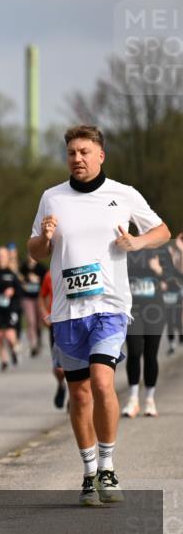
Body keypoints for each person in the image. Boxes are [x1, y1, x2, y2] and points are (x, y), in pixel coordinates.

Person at [28, 124, 169, 506]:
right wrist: (44, 236)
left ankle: (108, 465)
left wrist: (137, 241)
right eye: (72, 152)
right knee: (79, 393)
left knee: (103, 382)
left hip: (110, 306)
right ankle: (89, 472)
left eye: (85, 152)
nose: (77, 158)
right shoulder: (52, 198)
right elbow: (35, 251)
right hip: (67, 311)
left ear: (100, 155)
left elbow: (163, 230)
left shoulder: (122, 194)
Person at [122, 241, 173, 418]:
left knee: (151, 354)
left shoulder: (160, 250)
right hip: (133, 310)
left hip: (155, 311)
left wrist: (158, 270)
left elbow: (172, 281)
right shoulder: (127, 250)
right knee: (134, 352)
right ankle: (133, 399)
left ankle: (150, 400)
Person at [39, 269, 68, 409]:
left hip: (77, 320)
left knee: (80, 365)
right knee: (60, 369)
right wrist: (45, 313)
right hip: (57, 323)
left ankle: (75, 397)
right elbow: (42, 297)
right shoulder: (50, 274)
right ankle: (61, 385)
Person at [0, 246, 23, 370]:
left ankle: (14, 350)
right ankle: (4, 360)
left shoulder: (12, 274)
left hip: (11, 308)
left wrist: (13, 291)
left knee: (10, 335)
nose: (1, 258)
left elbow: (20, 293)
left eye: (3, 256)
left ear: (7, 257)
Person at [19, 254, 48, 356]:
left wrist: (38, 279)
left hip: (38, 298)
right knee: (31, 321)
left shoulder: (41, 268)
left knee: (39, 322)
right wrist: (26, 279)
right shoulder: (23, 267)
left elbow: (47, 280)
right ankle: (33, 345)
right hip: (27, 298)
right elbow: (18, 279)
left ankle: (39, 339)